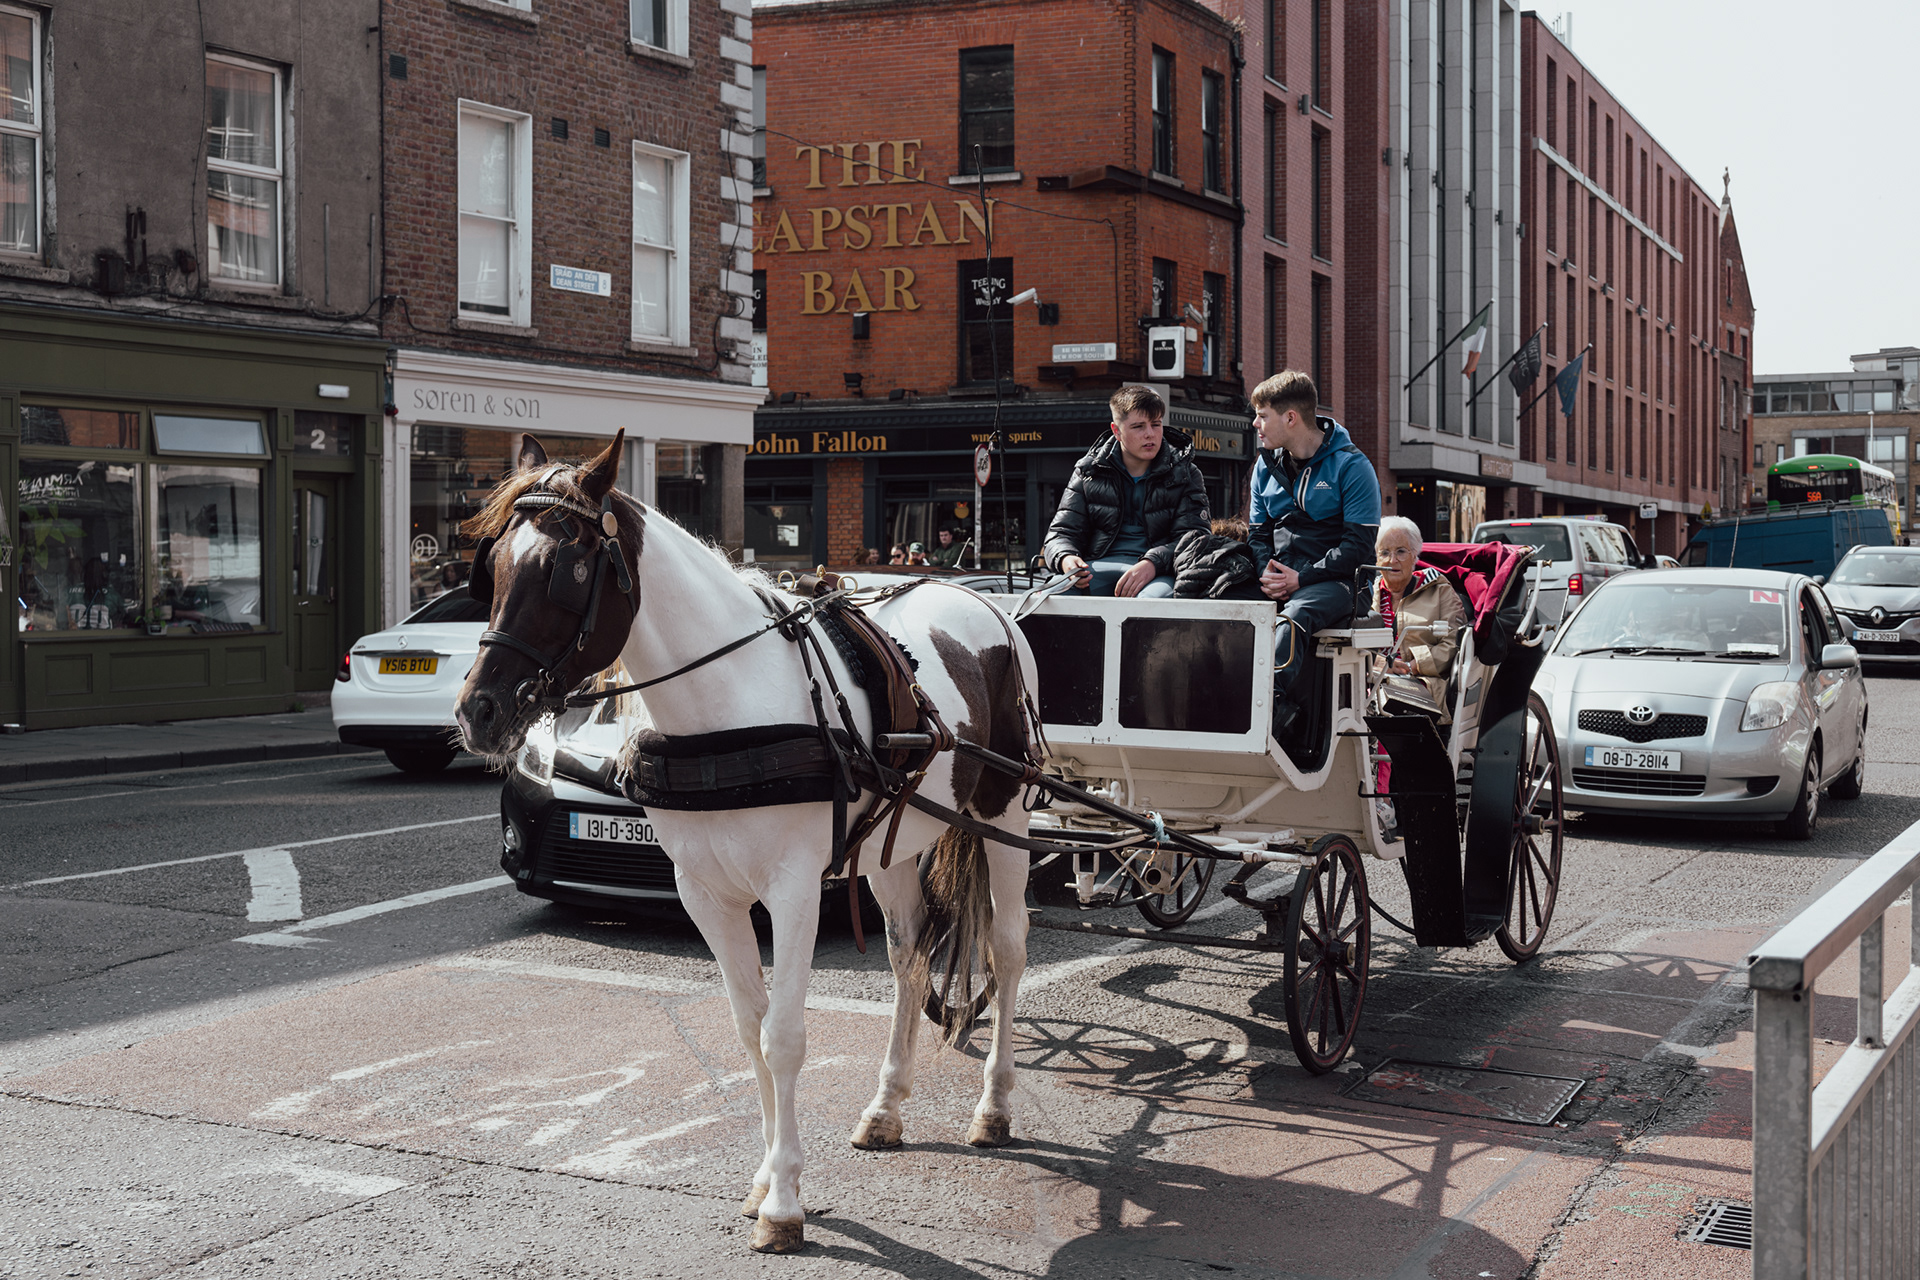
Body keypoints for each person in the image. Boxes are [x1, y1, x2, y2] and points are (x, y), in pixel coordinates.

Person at [1248, 369, 1382, 739]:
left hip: (1341, 583)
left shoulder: (1353, 467)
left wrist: (1300, 578)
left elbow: (1358, 548)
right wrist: (1267, 574)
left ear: (1290, 418)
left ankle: (1268, 706)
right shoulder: (1265, 465)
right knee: (1223, 602)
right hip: (1281, 576)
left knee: (1296, 613)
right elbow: (1257, 534)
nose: (1255, 424)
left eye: (1262, 415)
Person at [1044, 384, 1210, 598]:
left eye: (1156, 424)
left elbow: (1195, 539)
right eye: (1138, 426)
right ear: (1117, 431)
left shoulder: (1186, 473)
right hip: (1095, 568)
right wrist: (1066, 558)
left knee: (1149, 605)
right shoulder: (1088, 471)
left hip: (1159, 573)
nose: (1150, 434)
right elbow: (1060, 534)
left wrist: (1152, 563)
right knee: (1049, 598)